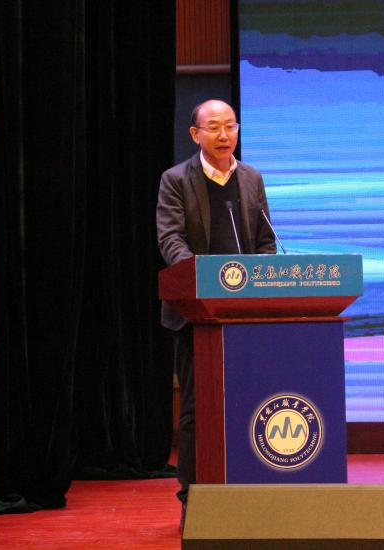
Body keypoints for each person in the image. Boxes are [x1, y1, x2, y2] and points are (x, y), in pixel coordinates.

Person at [156, 99, 276, 525]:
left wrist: (264, 277)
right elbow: (170, 240)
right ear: (195, 134)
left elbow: (265, 240)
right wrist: (202, 279)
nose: (224, 135)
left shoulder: (251, 178)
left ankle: (250, 493)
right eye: (214, 127)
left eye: (230, 126)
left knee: (251, 403)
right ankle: (193, 498)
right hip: (197, 316)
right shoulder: (176, 180)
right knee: (195, 410)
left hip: (245, 316)